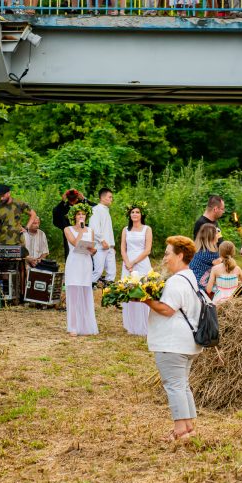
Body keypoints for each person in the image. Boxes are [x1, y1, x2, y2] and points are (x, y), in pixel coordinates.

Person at [142, 236, 202, 442]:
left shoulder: (177, 281)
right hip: (187, 342)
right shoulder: (190, 277)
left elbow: (167, 309)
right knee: (182, 384)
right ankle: (188, 427)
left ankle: (179, 430)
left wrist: (145, 299)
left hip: (173, 342)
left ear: (180, 255)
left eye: (168, 253)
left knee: (174, 385)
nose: (165, 258)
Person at [64, 203, 99, 336]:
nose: (81, 216)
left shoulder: (90, 230)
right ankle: (73, 326)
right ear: (74, 216)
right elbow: (75, 243)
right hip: (74, 262)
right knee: (73, 294)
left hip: (85, 262)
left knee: (85, 292)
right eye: (78, 214)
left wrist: (93, 250)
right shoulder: (68, 229)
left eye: (83, 214)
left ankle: (85, 325)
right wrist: (80, 229)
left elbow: (89, 248)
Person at [121, 202, 153, 336]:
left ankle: (145, 324)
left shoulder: (147, 229)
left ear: (141, 214)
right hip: (127, 263)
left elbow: (147, 249)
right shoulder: (125, 230)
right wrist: (127, 262)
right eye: (133, 212)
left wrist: (134, 261)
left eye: (137, 212)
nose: (135, 214)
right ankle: (131, 325)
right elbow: (123, 248)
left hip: (141, 262)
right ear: (129, 214)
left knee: (143, 291)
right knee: (129, 291)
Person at [53, 189, 91, 258]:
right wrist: (62, 201)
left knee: (85, 254)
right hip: (68, 233)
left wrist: (84, 199)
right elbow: (55, 215)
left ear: (77, 197)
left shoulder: (83, 204)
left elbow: (96, 208)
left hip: (83, 231)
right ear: (67, 197)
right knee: (69, 254)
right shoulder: (63, 206)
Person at [91, 187, 117, 287]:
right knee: (98, 270)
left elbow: (108, 230)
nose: (111, 199)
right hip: (100, 245)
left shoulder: (106, 210)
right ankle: (88, 287)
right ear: (102, 198)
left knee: (111, 271)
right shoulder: (96, 210)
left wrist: (112, 245)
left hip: (109, 246)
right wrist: (102, 240)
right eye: (110, 197)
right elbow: (94, 227)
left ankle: (108, 292)